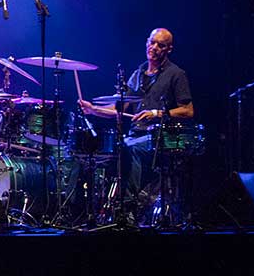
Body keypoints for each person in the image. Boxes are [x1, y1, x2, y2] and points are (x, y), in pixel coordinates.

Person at [78, 28, 194, 197]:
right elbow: (118, 110)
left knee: (131, 148)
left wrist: (156, 113)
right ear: (147, 43)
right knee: (107, 149)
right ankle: (104, 201)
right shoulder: (138, 74)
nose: (154, 47)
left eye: (160, 45)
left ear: (169, 49)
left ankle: (129, 202)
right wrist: (93, 110)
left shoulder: (176, 74)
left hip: (161, 137)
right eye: (152, 42)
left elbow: (188, 110)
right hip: (136, 135)